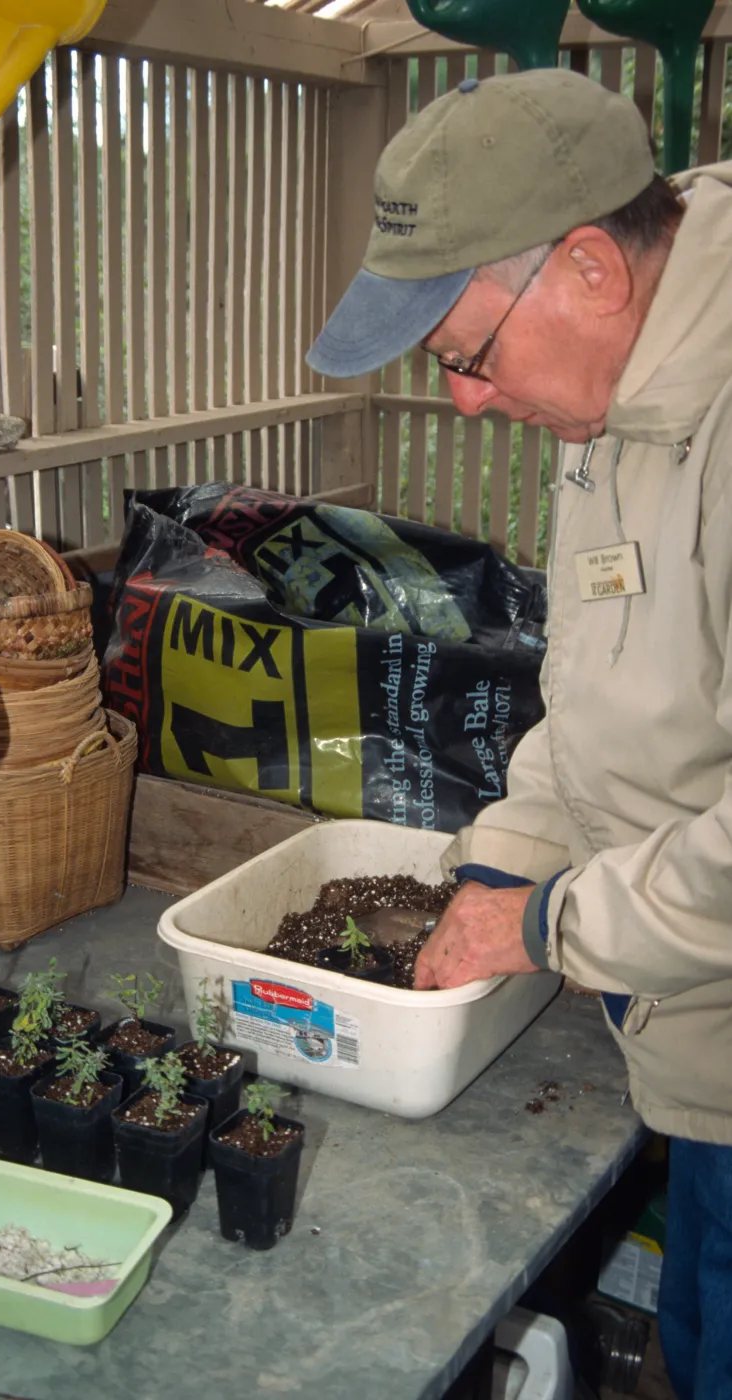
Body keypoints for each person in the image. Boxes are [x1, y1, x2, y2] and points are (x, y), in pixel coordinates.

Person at [306, 67, 732, 1400]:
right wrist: (510, 855)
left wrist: (552, 924)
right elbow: (596, 676)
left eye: (468, 357)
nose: (471, 402)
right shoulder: (615, 389)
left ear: (592, 268)